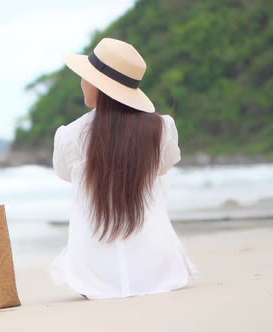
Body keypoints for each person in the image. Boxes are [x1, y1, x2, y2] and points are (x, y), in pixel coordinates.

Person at [50, 37, 198, 300]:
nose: (82, 82)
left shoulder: (70, 135)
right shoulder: (162, 128)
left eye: (86, 76)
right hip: (158, 267)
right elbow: (164, 167)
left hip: (93, 273)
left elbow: (65, 174)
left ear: (98, 85)